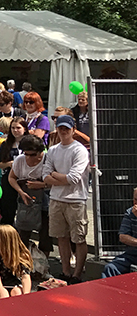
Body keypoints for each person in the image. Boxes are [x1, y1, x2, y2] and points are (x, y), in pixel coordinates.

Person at [41, 114, 90, 283]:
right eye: (60, 128)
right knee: (61, 237)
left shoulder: (79, 150)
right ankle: (65, 271)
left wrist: (54, 175)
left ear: (73, 130)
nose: (63, 132)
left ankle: (77, 274)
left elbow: (73, 179)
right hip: (56, 199)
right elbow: (44, 175)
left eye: (66, 129)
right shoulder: (53, 150)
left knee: (78, 238)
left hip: (76, 200)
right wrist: (59, 177)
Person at [0, 224, 33, 297]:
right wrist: (1, 290)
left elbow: (26, 276)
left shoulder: (22, 253)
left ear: (5, 240)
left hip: (15, 282)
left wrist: (26, 295)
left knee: (17, 293)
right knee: (4, 295)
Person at [101, 186, 137, 278]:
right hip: (131, 255)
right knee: (110, 267)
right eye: (135, 199)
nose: (136, 203)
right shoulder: (130, 212)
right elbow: (123, 236)